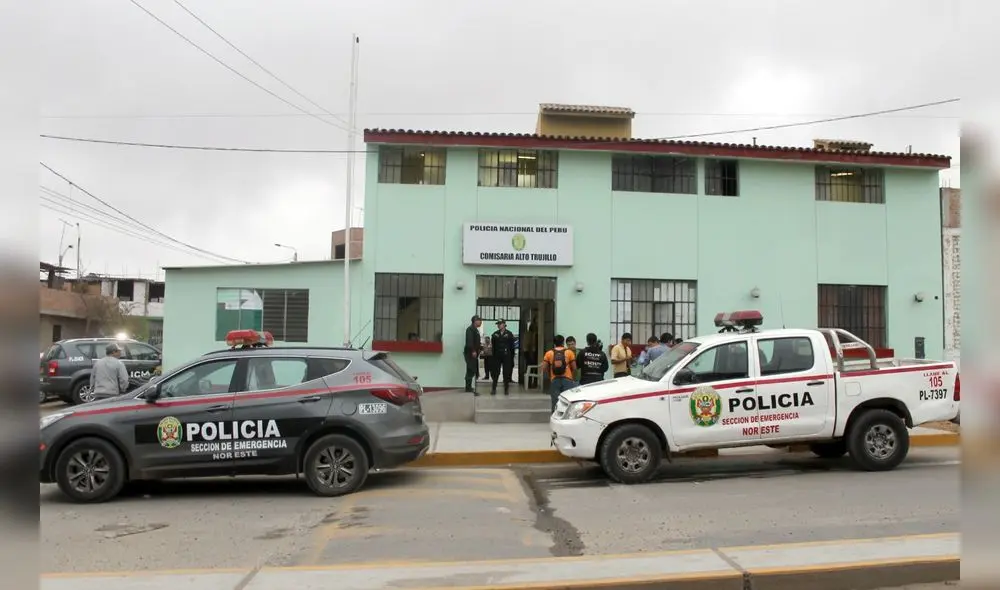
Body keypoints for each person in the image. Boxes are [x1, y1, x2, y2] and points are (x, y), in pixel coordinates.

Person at [541, 334, 577, 411]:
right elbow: (574, 368)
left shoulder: (549, 353)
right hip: (568, 379)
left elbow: (544, 368)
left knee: (555, 401)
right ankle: (567, 418)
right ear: (563, 342)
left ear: (554, 343)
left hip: (554, 379)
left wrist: (550, 375)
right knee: (568, 400)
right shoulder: (569, 352)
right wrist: (572, 378)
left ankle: (555, 417)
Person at [489, 319, 516, 396]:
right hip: (497, 356)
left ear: (504, 324)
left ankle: (506, 389)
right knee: (495, 373)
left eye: (500, 324)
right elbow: (493, 347)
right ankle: (493, 389)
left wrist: (511, 358)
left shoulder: (509, 334)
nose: (498, 325)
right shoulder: (495, 334)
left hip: (506, 356)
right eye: (498, 324)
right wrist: (493, 357)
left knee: (506, 373)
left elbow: (512, 347)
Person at [463, 315, 483, 394]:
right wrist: (473, 351)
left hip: (473, 353)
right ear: (475, 321)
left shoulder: (475, 330)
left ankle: (469, 387)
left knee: (471, 370)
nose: (480, 322)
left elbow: (476, 342)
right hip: (470, 353)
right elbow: (470, 342)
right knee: (470, 369)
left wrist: (481, 347)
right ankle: (468, 388)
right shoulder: (470, 329)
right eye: (479, 321)